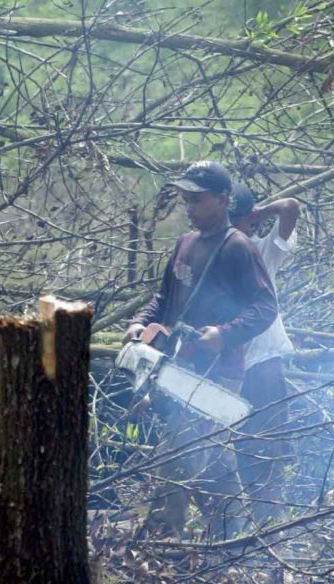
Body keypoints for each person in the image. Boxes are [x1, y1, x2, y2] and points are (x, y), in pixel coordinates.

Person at [123, 161, 277, 540]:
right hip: (177, 364)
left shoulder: (238, 247)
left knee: (177, 451)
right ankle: (233, 534)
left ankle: (163, 533)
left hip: (217, 370)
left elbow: (265, 307)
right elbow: (164, 297)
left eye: (197, 200)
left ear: (223, 201)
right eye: (186, 199)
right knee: (212, 458)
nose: (189, 207)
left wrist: (223, 335)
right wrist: (141, 322)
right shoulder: (185, 244)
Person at [228, 183, 301, 525]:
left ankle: (269, 524)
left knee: (269, 446)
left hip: (264, 365)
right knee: (239, 448)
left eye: (235, 219)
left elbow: (290, 207)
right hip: (230, 368)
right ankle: (242, 526)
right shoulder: (214, 256)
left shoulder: (261, 251)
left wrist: (260, 211)